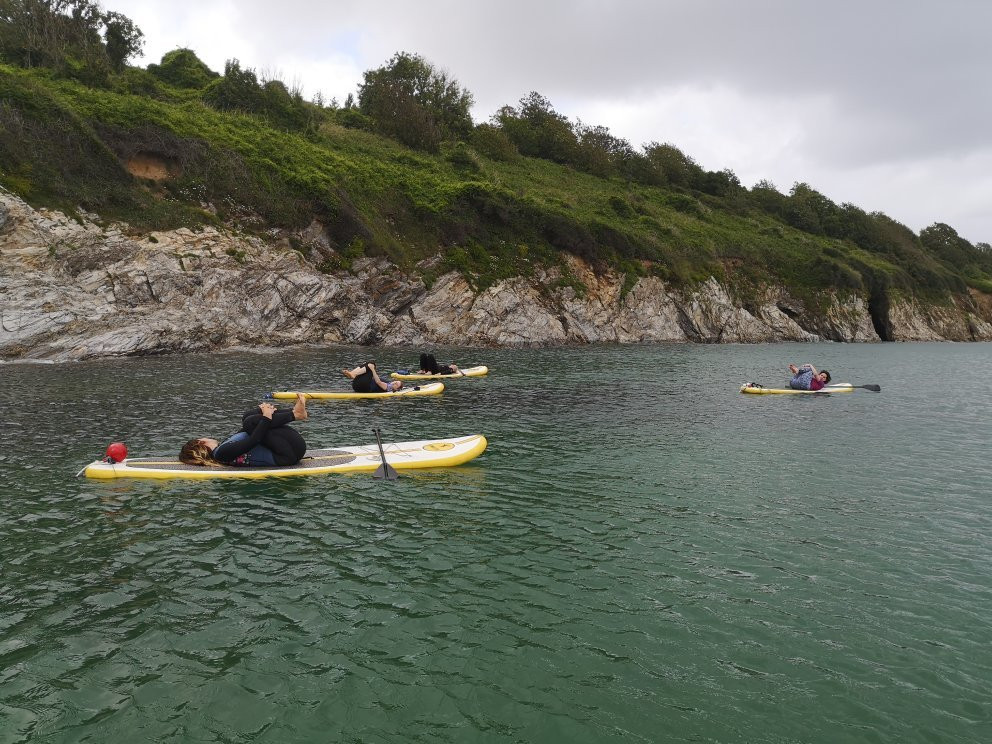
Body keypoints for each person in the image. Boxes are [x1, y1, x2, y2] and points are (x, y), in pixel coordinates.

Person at [179, 394, 308, 467]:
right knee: (249, 422)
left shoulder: (223, 448)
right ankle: (295, 414)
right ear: (201, 442)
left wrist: (263, 412)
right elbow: (254, 440)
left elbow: (252, 429)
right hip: (287, 455)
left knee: (248, 417)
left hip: (289, 449)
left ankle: (295, 412)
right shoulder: (221, 453)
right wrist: (267, 416)